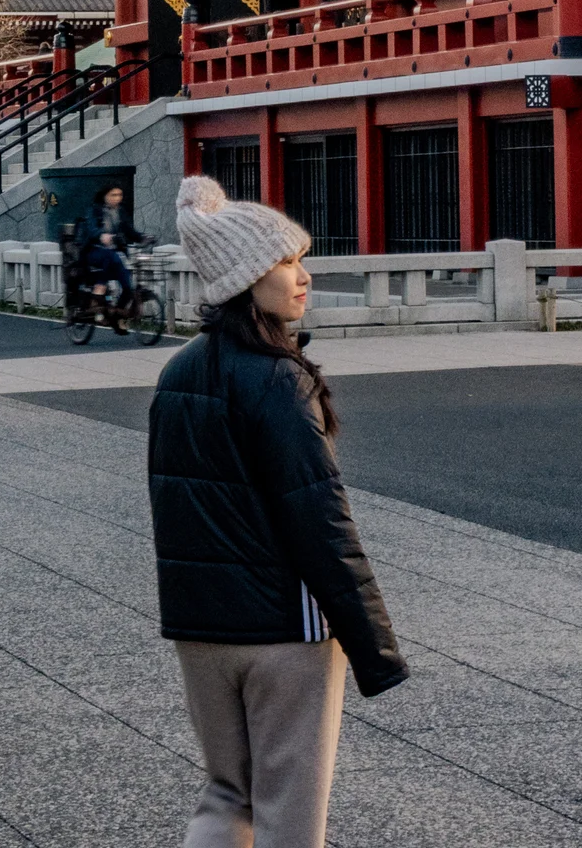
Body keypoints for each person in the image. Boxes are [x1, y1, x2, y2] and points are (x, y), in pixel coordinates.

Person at [150, 175, 408, 848]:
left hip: (200, 628)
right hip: (283, 633)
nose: (303, 276)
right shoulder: (278, 379)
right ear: (245, 278)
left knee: (226, 797)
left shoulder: (179, 373)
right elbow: (321, 519)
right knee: (289, 810)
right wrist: (374, 646)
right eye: (287, 262)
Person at [76, 183, 141, 312]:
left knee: (128, 287)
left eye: (119, 195)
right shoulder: (95, 210)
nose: (117, 198)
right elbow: (92, 229)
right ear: (105, 196)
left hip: (115, 254)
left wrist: (143, 237)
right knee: (111, 256)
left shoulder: (121, 211)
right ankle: (99, 287)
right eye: (113, 195)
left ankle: (118, 314)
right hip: (94, 252)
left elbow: (130, 231)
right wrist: (102, 236)